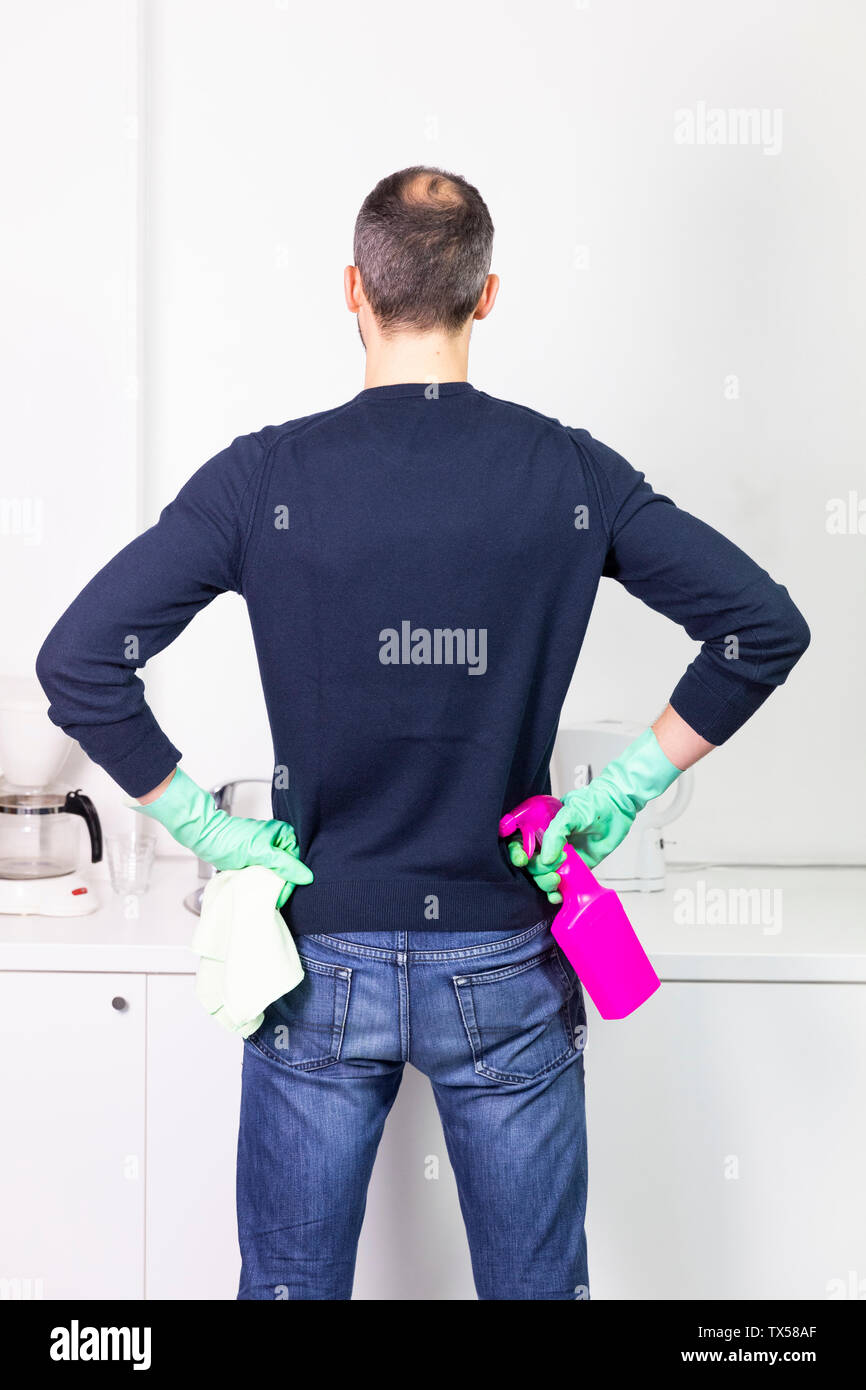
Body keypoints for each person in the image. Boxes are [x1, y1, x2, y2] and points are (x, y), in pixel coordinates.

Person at [35, 165, 810, 1301]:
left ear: (352, 287)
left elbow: (77, 660)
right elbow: (760, 627)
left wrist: (208, 827)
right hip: (502, 950)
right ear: (485, 296)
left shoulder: (265, 478)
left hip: (315, 956)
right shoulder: (569, 472)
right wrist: (623, 787)